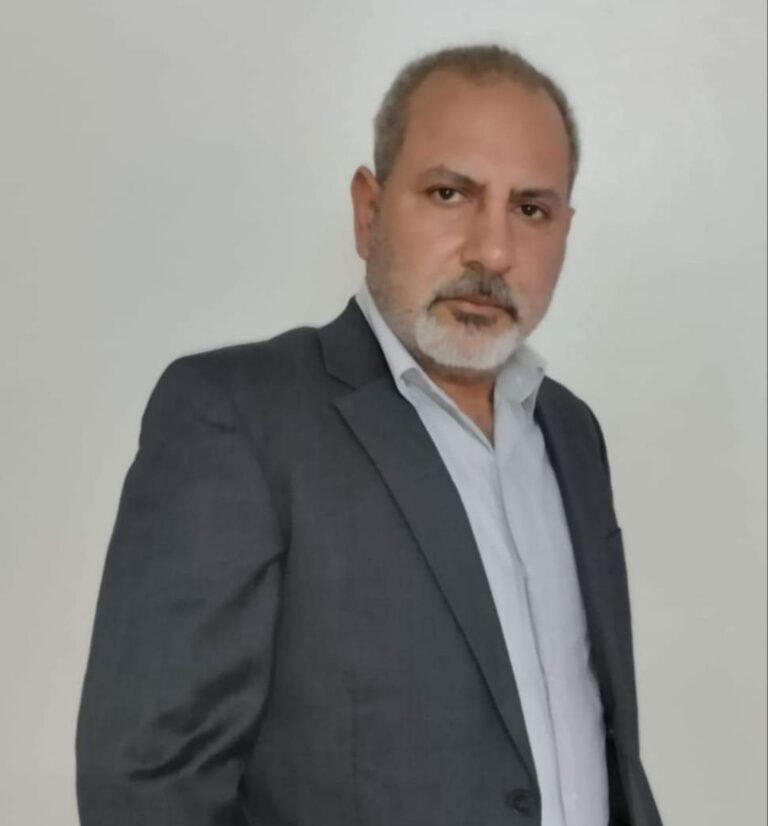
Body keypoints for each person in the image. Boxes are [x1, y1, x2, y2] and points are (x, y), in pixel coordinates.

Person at [76, 44, 663, 826]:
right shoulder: (239, 417)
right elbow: (150, 787)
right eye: (450, 193)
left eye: (531, 209)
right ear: (368, 209)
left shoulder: (570, 432)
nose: (493, 251)